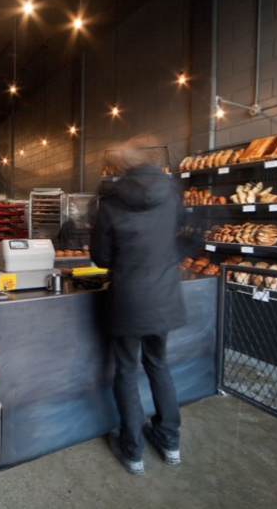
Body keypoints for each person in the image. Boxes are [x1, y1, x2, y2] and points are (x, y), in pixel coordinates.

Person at [90, 140, 186, 476]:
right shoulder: (172, 193)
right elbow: (178, 236)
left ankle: (133, 451)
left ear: (122, 167)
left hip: (129, 299)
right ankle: (169, 441)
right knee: (159, 364)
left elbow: (100, 257)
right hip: (164, 296)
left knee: (127, 371)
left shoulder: (111, 202)